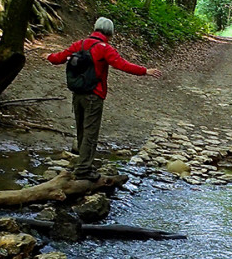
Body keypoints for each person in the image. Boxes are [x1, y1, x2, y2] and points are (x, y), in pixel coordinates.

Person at [46, 17, 162, 180]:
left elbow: (60, 58)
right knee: (90, 133)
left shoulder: (79, 44)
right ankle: (84, 169)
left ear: (95, 28)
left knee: (81, 130)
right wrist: (145, 71)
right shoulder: (104, 48)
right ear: (110, 33)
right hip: (94, 95)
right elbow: (122, 64)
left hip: (77, 94)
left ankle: (82, 163)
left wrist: (48, 56)